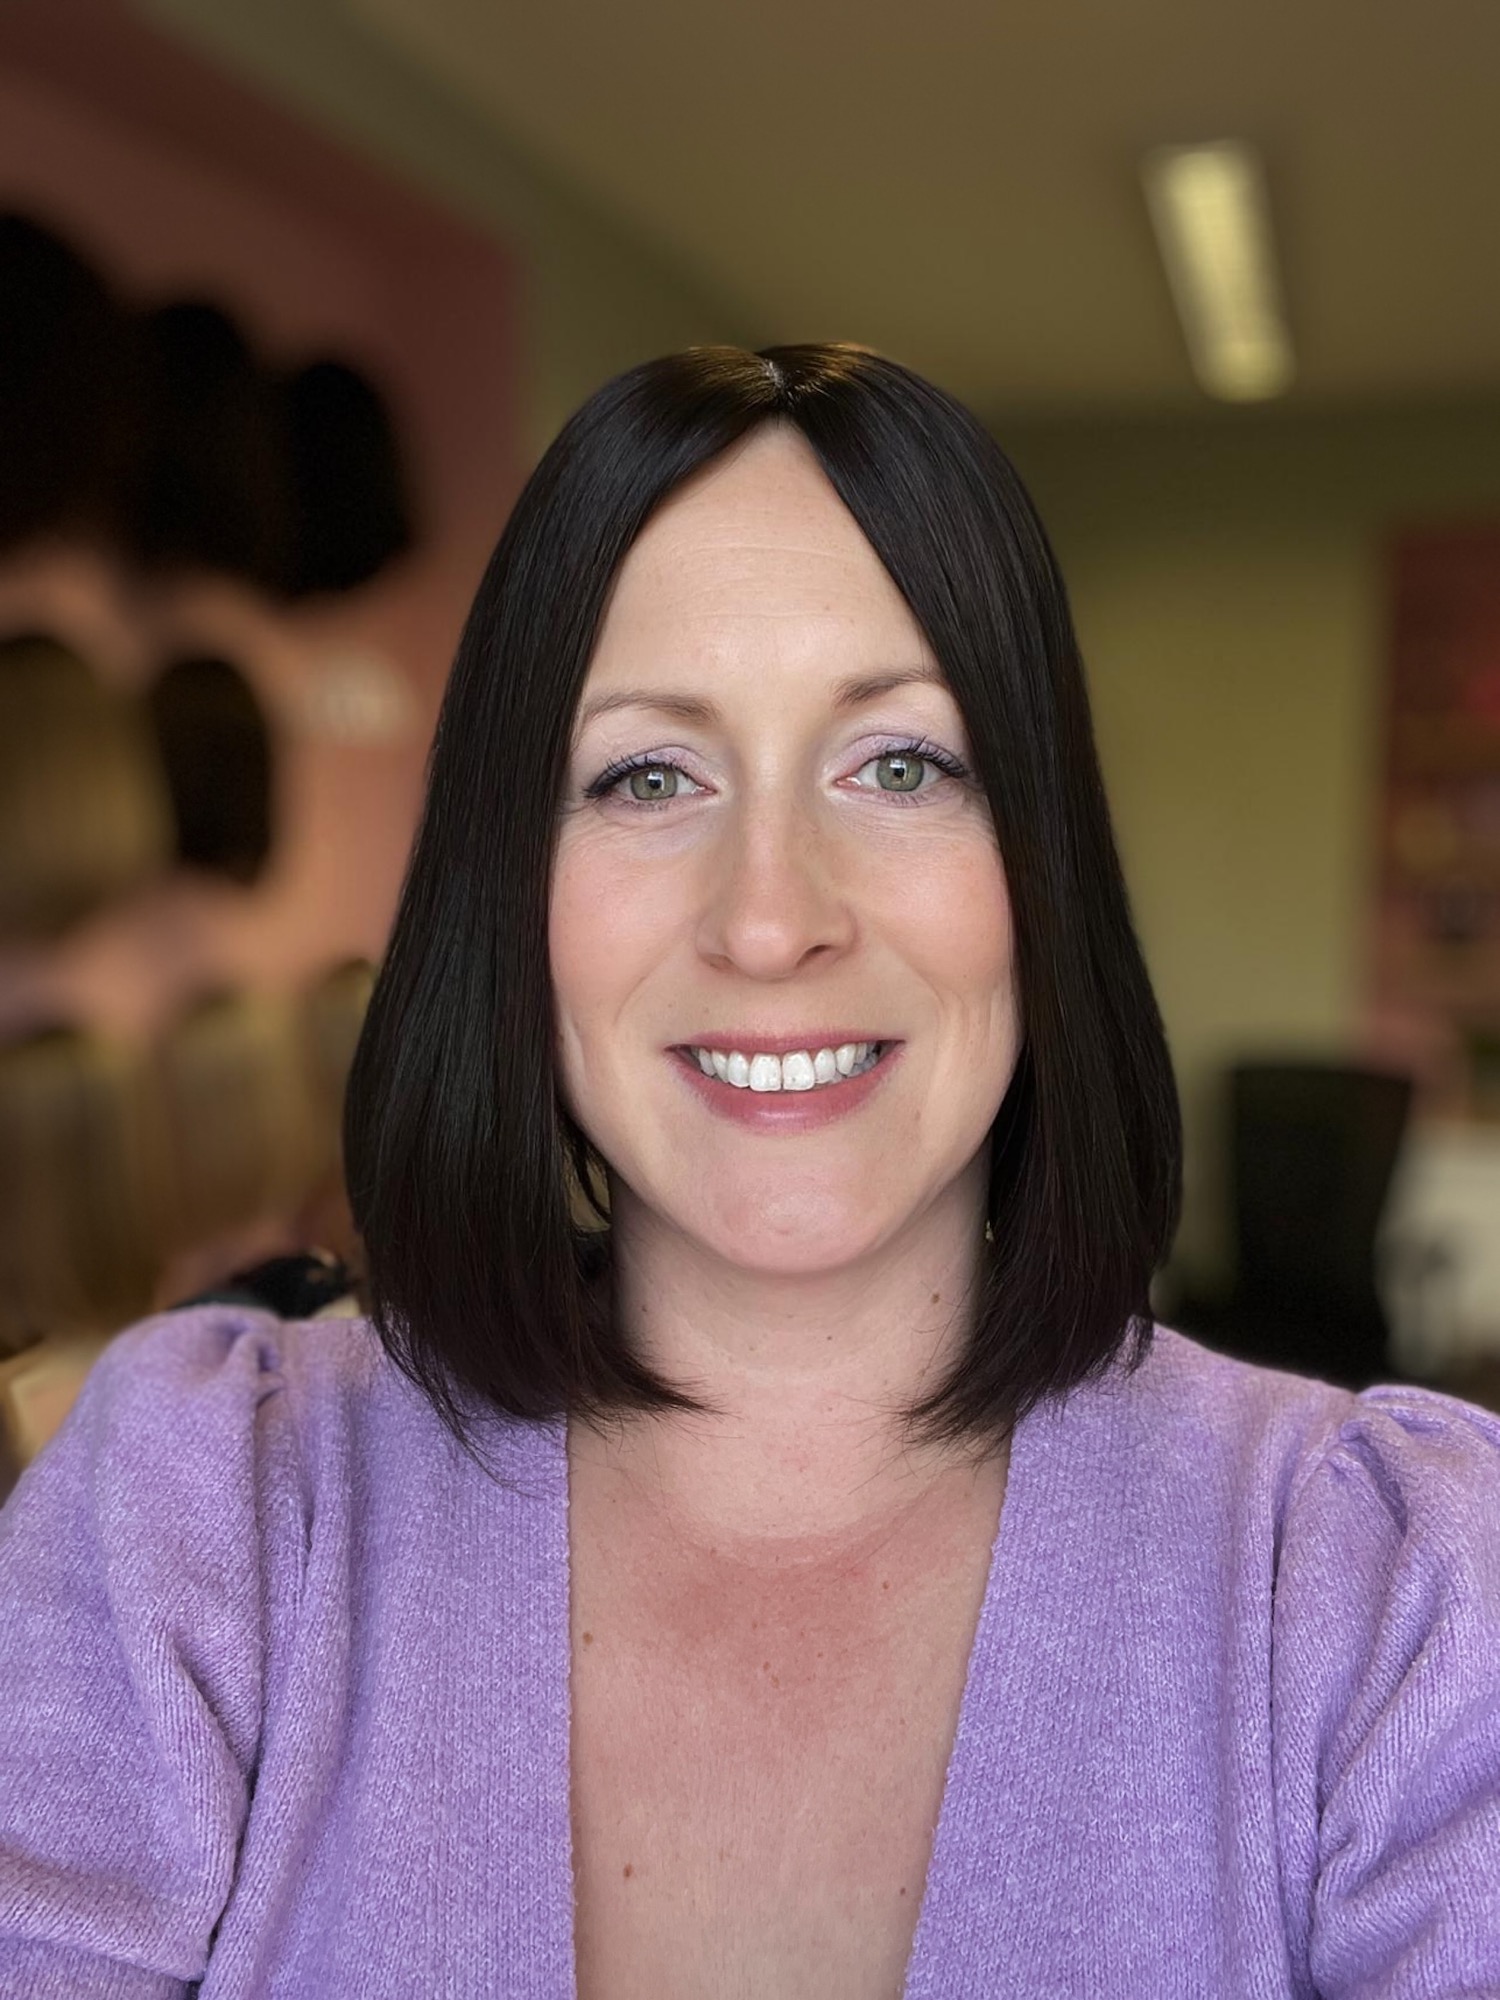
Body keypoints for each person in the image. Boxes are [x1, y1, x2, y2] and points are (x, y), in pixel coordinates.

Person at [1, 344, 1497, 1998]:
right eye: (648, 776)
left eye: (902, 765)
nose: (772, 919)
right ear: (512, 890)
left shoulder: (1389, 1599)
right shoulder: (197, 1521)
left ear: (1042, 869)